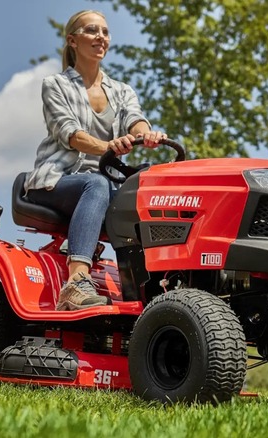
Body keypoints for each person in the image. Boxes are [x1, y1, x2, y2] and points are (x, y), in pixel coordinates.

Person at [24, 10, 166, 310]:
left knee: (152, 186)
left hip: (104, 183)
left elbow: (136, 120)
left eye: (105, 32)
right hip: (57, 180)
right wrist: (108, 146)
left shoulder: (121, 90)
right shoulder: (56, 85)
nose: (101, 37)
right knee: (97, 183)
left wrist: (147, 135)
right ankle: (75, 282)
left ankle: (156, 285)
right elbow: (70, 134)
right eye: (92, 31)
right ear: (73, 40)